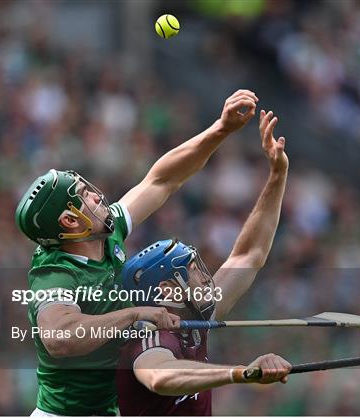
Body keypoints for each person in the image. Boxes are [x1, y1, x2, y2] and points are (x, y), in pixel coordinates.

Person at [14, 90, 259, 416]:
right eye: (84, 196)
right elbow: (60, 338)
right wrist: (134, 314)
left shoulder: (106, 229)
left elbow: (162, 181)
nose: (98, 197)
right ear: (70, 221)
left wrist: (220, 129)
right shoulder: (55, 274)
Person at [116, 110, 291, 415]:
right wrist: (240, 373)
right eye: (192, 271)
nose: (206, 277)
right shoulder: (149, 336)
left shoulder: (195, 317)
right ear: (170, 292)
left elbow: (248, 255)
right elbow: (160, 376)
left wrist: (277, 176)